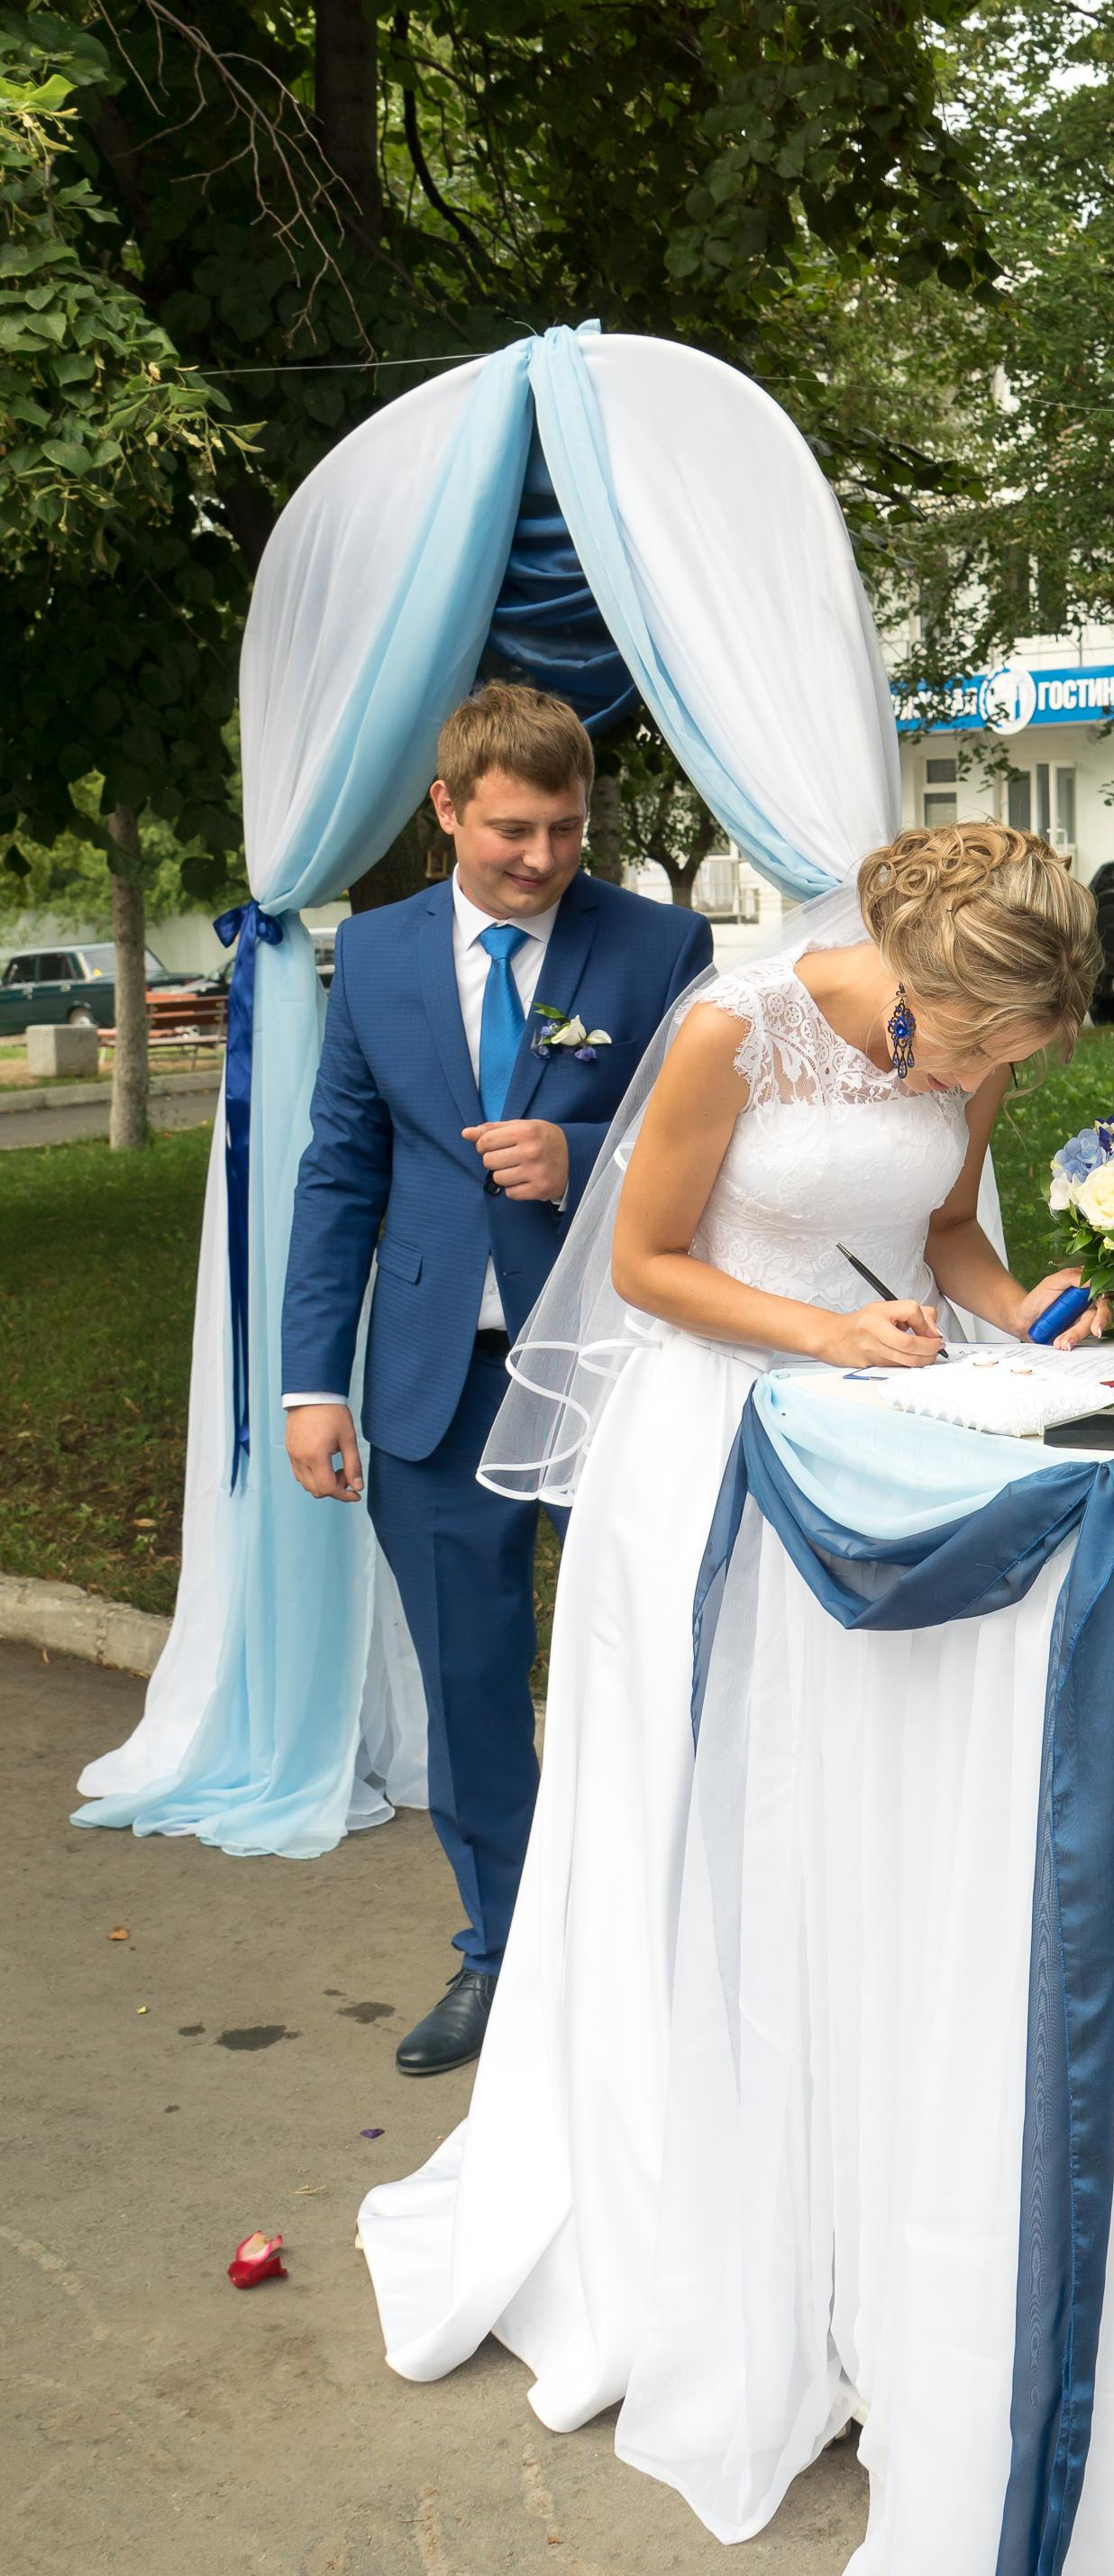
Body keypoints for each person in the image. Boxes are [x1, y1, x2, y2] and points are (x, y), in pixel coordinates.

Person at [355, 820, 1108, 2426]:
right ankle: (683, 2191)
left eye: (999, 1053)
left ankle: (845, 2169)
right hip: (709, 1438)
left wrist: (1024, 1308)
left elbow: (952, 1236)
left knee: (845, 1803)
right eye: (965, 1038)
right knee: (705, 1798)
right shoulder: (731, 1025)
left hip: (889, 1431)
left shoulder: (975, 1043)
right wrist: (821, 1332)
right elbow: (639, 1266)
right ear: (911, 970)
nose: (972, 1068)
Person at [279, 681, 713, 2077]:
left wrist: (584, 1160)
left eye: (568, 832)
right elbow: (341, 1165)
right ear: (447, 808)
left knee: (651, 1662)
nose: (541, 860)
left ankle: (667, 1951)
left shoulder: (662, 945)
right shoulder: (380, 954)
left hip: (613, 1369)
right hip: (428, 1384)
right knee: (471, 1690)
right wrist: (309, 1383)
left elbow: (724, 1151)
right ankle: (506, 1957)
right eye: (513, 831)